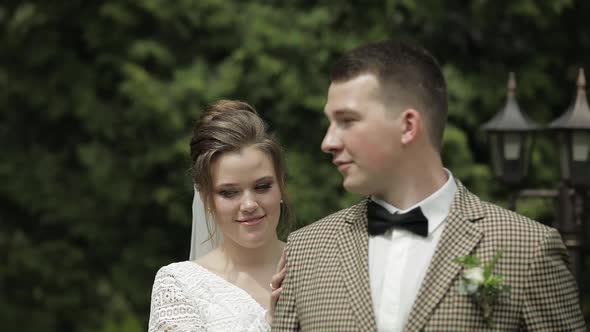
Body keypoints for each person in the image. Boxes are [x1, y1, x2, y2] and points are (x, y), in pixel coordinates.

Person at [272, 41, 586, 331]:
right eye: (330, 122)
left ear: (408, 126)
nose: (328, 142)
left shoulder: (526, 249)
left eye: (347, 120)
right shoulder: (306, 250)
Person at [149, 100, 288, 332]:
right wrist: (271, 323)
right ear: (206, 199)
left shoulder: (321, 265)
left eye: (262, 186)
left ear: (281, 185)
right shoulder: (179, 286)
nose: (249, 204)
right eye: (229, 192)